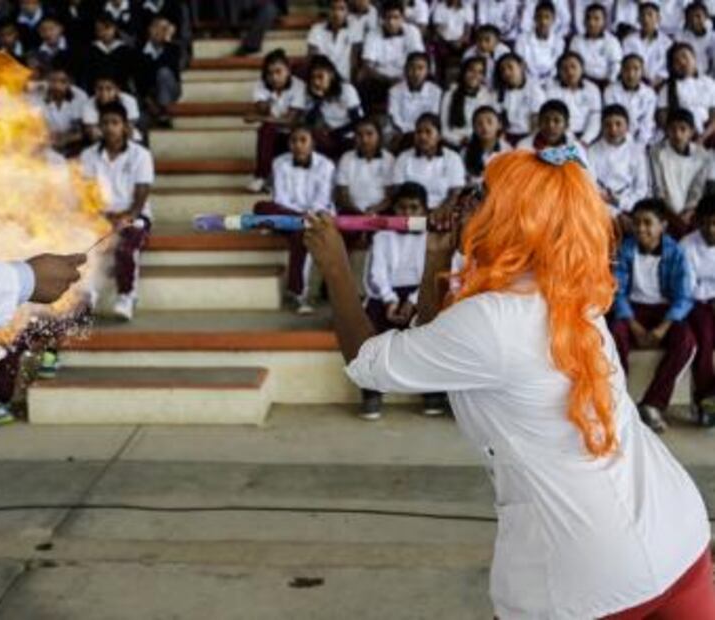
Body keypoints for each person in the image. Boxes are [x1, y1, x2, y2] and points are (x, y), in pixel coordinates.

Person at [303, 147, 715, 619]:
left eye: (482, 196)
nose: (465, 202)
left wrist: (335, 266)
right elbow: (434, 339)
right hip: (676, 533)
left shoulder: (492, 320)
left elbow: (366, 361)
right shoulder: (569, 286)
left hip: (587, 576)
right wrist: (437, 256)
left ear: (513, 218)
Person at [609, 198, 696, 434]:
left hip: (664, 312)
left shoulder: (675, 253)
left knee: (686, 341)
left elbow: (683, 297)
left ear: (663, 226)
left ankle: (652, 404)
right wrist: (634, 325)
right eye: (636, 223)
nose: (641, 229)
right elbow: (617, 292)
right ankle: (618, 399)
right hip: (632, 310)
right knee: (615, 334)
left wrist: (662, 328)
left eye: (648, 223)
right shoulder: (625, 249)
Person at [79, 102, 155, 321]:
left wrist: (127, 216)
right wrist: (100, 217)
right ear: (99, 127)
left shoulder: (140, 155)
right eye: (105, 123)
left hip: (134, 215)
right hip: (99, 215)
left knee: (125, 247)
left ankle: (126, 296)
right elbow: (87, 194)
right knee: (81, 244)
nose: (110, 127)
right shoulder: (88, 155)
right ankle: (88, 295)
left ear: (125, 126)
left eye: (115, 122)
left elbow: (142, 194)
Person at [359, 182, 428, 420]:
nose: (407, 213)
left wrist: (413, 301)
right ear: (394, 210)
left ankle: (434, 392)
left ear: (424, 210)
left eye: (414, 208)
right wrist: (390, 300)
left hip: (420, 292)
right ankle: (371, 392)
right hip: (386, 292)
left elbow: (431, 274)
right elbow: (375, 275)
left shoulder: (431, 236)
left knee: (433, 323)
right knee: (369, 329)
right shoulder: (382, 236)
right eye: (402, 208)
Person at [253, 125, 335, 315]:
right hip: (288, 214)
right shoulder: (279, 163)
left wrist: (307, 217)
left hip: (316, 217)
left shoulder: (326, 165)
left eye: (303, 140)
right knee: (260, 207)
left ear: (312, 143)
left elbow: (322, 200)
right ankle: (298, 293)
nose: (298, 145)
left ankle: (299, 294)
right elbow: (280, 199)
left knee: (301, 233)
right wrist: (300, 217)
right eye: (293, 141)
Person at [246, 49, 305, 193]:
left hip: (292, 132)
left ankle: (273, 179)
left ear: (288, 71)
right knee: (266, 130)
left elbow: (290, 121)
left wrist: (259, 118)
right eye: (269, 73)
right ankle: (261, 176)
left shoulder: (299, 86)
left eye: (278, 72)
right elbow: (262, 108)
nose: (274, 77)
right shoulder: (260, 85)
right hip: (273, 134)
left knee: (274, 128)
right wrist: (269, 104)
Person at [682, 194, 715, 426]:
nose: (712, 229)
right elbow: (690, 288)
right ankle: (704, 400)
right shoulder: (686, 246)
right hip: (696, 305)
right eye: (707, 223)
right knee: (704, 340)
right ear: (698, 222)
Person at [649, 108, 709, 236]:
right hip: (665, 210)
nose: (677, 134)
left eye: (683, 129)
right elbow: (658, 189)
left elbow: (697, 189)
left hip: (691, 212)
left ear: (692, 132)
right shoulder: (657, 153)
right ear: (667, 131)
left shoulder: (702, 155)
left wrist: (689, 211)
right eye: (673, 129)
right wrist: (673, 215)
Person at [392, 113, 467, 212]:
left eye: (428, 132)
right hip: (411, 212)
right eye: (418, 132)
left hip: (442, 212)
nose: (422, 137)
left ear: (439, 136)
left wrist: (440, 212)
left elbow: (455, 193)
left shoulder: (452, 158)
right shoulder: (404, 157)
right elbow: (397, 190)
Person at [293, 55, 363, 160]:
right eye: (313, 78)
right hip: (329, 135)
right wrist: (318, 100)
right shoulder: (312, 93)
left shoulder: (346, 90)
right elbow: (309, 122)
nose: (316, 82)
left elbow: (357, 121)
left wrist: (334, 134)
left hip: (349, 135)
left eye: (320, 77)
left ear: (331, 75)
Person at [359, 1, 424, 112]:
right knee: (364, 83)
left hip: (406, 77)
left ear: (402, 18)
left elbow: (418, 58)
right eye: (387, 18)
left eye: (396, 17)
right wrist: (386, 79)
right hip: (380, 79)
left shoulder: (412, 32)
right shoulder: (372, 34)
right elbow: (367, 64)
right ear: (382, 18)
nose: (391, 22)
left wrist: (404, 77)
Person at [588, 105, 650, 220]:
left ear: (627, 126)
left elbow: (641, 189)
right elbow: (590, 185)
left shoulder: (636, 151)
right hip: (601, 206)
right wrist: (614, 212)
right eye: (607, 125)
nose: (613, 130)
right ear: (601, 127)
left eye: (618, 124)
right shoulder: (592, 151)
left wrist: (620, 202)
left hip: (630, 206)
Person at [334, 118, 395, 217]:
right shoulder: (346, 158)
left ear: (379, 136)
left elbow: (390, 195)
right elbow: (342, 193)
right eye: (359, 135)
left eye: (369, 134)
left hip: (381, 211)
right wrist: (358, 212)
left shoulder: (388, 158)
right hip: (351, 211)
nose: (364, 140)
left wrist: (375, 209)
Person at [657, 42, 715, 144]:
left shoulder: (708, 83)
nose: (682, 63)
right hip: (680, 135)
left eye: (685, 57)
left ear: (694, 58)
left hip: (708, 133)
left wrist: (702, 138)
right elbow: (663, 116)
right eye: (677, 61)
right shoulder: (668, 87)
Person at [387, 51, 442, 152]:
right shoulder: (394, 91)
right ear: (405, 70)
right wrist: (408, 131)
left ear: (428, 71)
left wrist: (418, 131)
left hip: (426, 131)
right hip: (402, 133)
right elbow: (395, 117)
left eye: (420, 68)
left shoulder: (436, 91)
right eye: (411, 68)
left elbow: (432, 116)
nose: (416, 72)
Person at [545, 51, 602, 145]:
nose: (570, 72)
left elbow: (595, 118)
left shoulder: (592, 89)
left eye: (573, 67)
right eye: (564, 69)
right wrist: (571, 140)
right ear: (558, 72)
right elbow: (554, 118)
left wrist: (585, 140)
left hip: (588, 137)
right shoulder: (552, 89)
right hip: (561, 136)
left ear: (582, 68)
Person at [136, 15, 182, 128]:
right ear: (150, 29)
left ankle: (164, 112)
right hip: (150, 95)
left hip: (171, 90)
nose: (159, 31)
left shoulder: (174, 49)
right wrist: (149, 102)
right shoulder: (139, 51)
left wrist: (168, 43)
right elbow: (138, 80)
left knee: (163, 72)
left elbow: (171, 69)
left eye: (164, 29)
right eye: (156, 27)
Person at [603, 53, 658, 145]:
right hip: (616, 136)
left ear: (642, 71)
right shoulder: (610, 91)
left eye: (636, 69)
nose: (631, 74)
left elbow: (647, 122)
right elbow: (613, 118)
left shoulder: (649, 94)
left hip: (641, 139)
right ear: (621, 71)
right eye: (627, 69)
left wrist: (640, 143)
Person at [440, 56, 495, 148]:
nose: (475, 75)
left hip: (479, 142)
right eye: (471, 70)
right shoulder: (450, 94)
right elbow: (443, 128)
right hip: (454, 143)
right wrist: (458, 140)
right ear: (463, 72)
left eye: (480, 72)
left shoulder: (486, 95)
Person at [494, 52, 545, 143]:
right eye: (503, 70)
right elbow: (500, 119)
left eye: (510, 67)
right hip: (507, 136)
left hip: (527, 135)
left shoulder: (534, 90)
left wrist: (530, 142)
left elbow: (536, 121)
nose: (506, 72)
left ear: (522, 66)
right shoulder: (500, 92)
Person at [306, 0, 361, 83]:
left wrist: (352, 83)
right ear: (328, 10)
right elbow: (313, 60)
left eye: (341, 9)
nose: (336, 13)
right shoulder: (316, 29)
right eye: (333, 8)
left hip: (345, 81)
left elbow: (354, 62)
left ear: (347, 12)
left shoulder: (354, 29)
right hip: (323, 81)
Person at [568, 3, 623, 86]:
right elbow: (573, 63)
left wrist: (610, 82)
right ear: (584, 21)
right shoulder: (576, 40)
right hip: (582, 82)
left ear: (604, 21)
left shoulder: (612, 41)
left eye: (596, 19)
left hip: (606, 83)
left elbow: (616, 65)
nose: (591, 23)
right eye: (588, 18)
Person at [514, 1, 564, 87]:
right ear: (534, 18)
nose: (543, 21)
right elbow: (522, 65)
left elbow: (556, 68)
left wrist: (547, 82)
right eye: (539, 17)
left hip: (552, 83)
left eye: (547, 17)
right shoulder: (522, 40)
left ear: (553, 19)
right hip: (528, 82)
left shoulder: (559, 42)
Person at [622, 2, 671, 88]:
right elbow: (627, 63)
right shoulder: (629, 40)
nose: (645, 19)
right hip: (635, 82)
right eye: (642, 15)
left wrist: (658, 80)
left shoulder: (667, 42)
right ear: (638, 19)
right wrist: (642, 79)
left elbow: (667, 67)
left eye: (650, 15)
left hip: (660, 84)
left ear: (658, 18)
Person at [462, 105, 510, 185]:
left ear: (499, 125)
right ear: (474, 128)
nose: (485, 127)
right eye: (479, 123)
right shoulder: (465, 152)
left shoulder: (507, 151)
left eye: (489, 122)